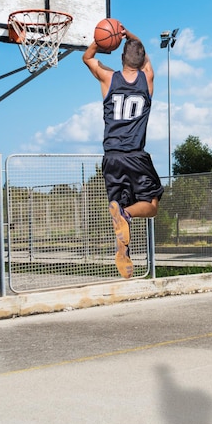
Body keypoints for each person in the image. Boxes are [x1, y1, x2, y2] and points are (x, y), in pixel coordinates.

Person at [82, 23, 163, 278]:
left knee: (117, 206)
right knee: (150, 205)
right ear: (142, 62)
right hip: (136, 155)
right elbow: (146, 55)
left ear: (121, 58)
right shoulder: (146, 77)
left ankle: (123, 252)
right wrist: (130, 35)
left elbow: (88, 57)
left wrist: (103, 39)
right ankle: (126, 214)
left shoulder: (109, 78)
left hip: (111, 157)